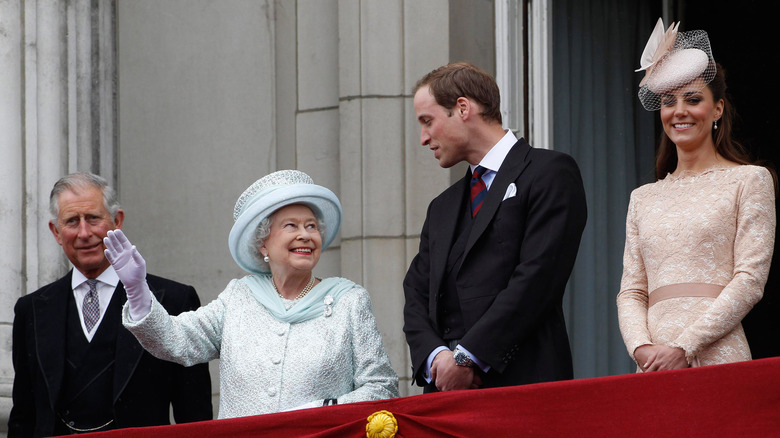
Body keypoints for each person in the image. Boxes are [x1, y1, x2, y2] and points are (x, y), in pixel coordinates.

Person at [103, 169, 399, 419]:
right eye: (291, 226)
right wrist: (137, 289)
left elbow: (381, 386)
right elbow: (176, 341)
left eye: (311, 226)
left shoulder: (349, 301)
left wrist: (325, 409)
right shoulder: (238, 298)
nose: (305, 235)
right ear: (263, 244)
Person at [403, 62, 588, 392]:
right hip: (445, 399)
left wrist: (468, 358)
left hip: (526, 390)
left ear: (462, 108)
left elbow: (537, 277)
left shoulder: (550, 172)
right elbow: (416, 294)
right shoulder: (441, 207)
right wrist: (437, 360)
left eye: (427, 122)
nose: (423, 138)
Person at [617, 19, 776, 372]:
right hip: (654, 365)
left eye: (693, 99)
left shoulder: (749, 180)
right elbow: (631, 291)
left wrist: (684, 346)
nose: (680, 111)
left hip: (718, 355)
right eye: (668, 101)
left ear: (717, 109)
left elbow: (750, 280)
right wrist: (642, 349)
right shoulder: (642, 198)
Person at [8, 172, 212, 437]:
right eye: (72, 221)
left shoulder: (172, 300)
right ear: (56, 232)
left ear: (117, 221)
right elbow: (24, 415)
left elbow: (195, 416)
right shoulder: (32, 309)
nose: (84, 233)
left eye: (93, 218)